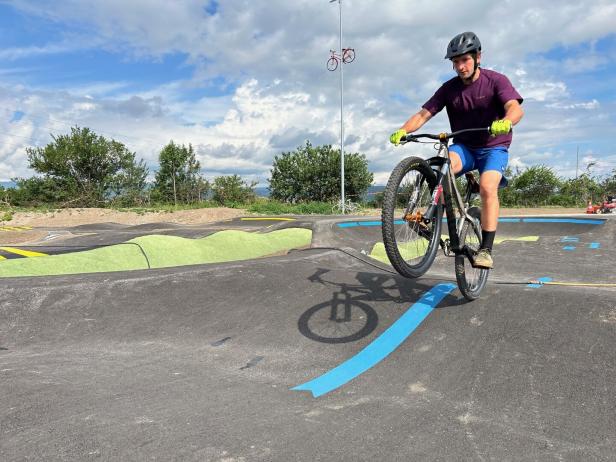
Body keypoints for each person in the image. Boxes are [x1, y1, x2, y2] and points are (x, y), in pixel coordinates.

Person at [389, 31, 524, 269]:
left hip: (493, 147)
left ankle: (486, 250)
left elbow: (514, 108)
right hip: (465, 147)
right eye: (456, 62)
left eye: (465, 60)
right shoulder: (449, 89)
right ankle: (430, 218)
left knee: (487, 187)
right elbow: (424, 114)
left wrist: (507, 121)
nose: (461, 67)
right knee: (442, 168)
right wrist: (403, 130)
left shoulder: (496, 80)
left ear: (478, 57)